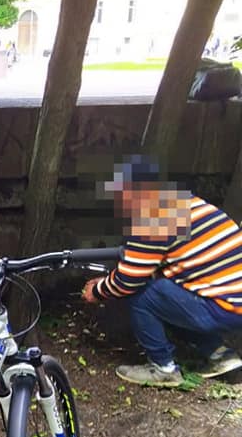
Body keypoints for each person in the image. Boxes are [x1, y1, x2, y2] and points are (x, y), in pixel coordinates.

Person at [82, 156, 242, 387]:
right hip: (232, 299)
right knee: (169, 297)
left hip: (223, 306)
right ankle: (220, 354)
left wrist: (97, 291)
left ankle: (163, 368)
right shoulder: (185, 202)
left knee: (143, 296)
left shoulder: (151, 218)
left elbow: (129, 280)